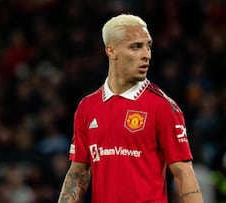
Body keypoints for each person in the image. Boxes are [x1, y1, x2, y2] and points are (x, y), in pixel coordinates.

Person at [57, 13, 204, 203]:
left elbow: (184, 173)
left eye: (148, 46)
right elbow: (78, 173)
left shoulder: (163, 107)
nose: (146, 54)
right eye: (136, 47)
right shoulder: (87, 107)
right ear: (111, 51)